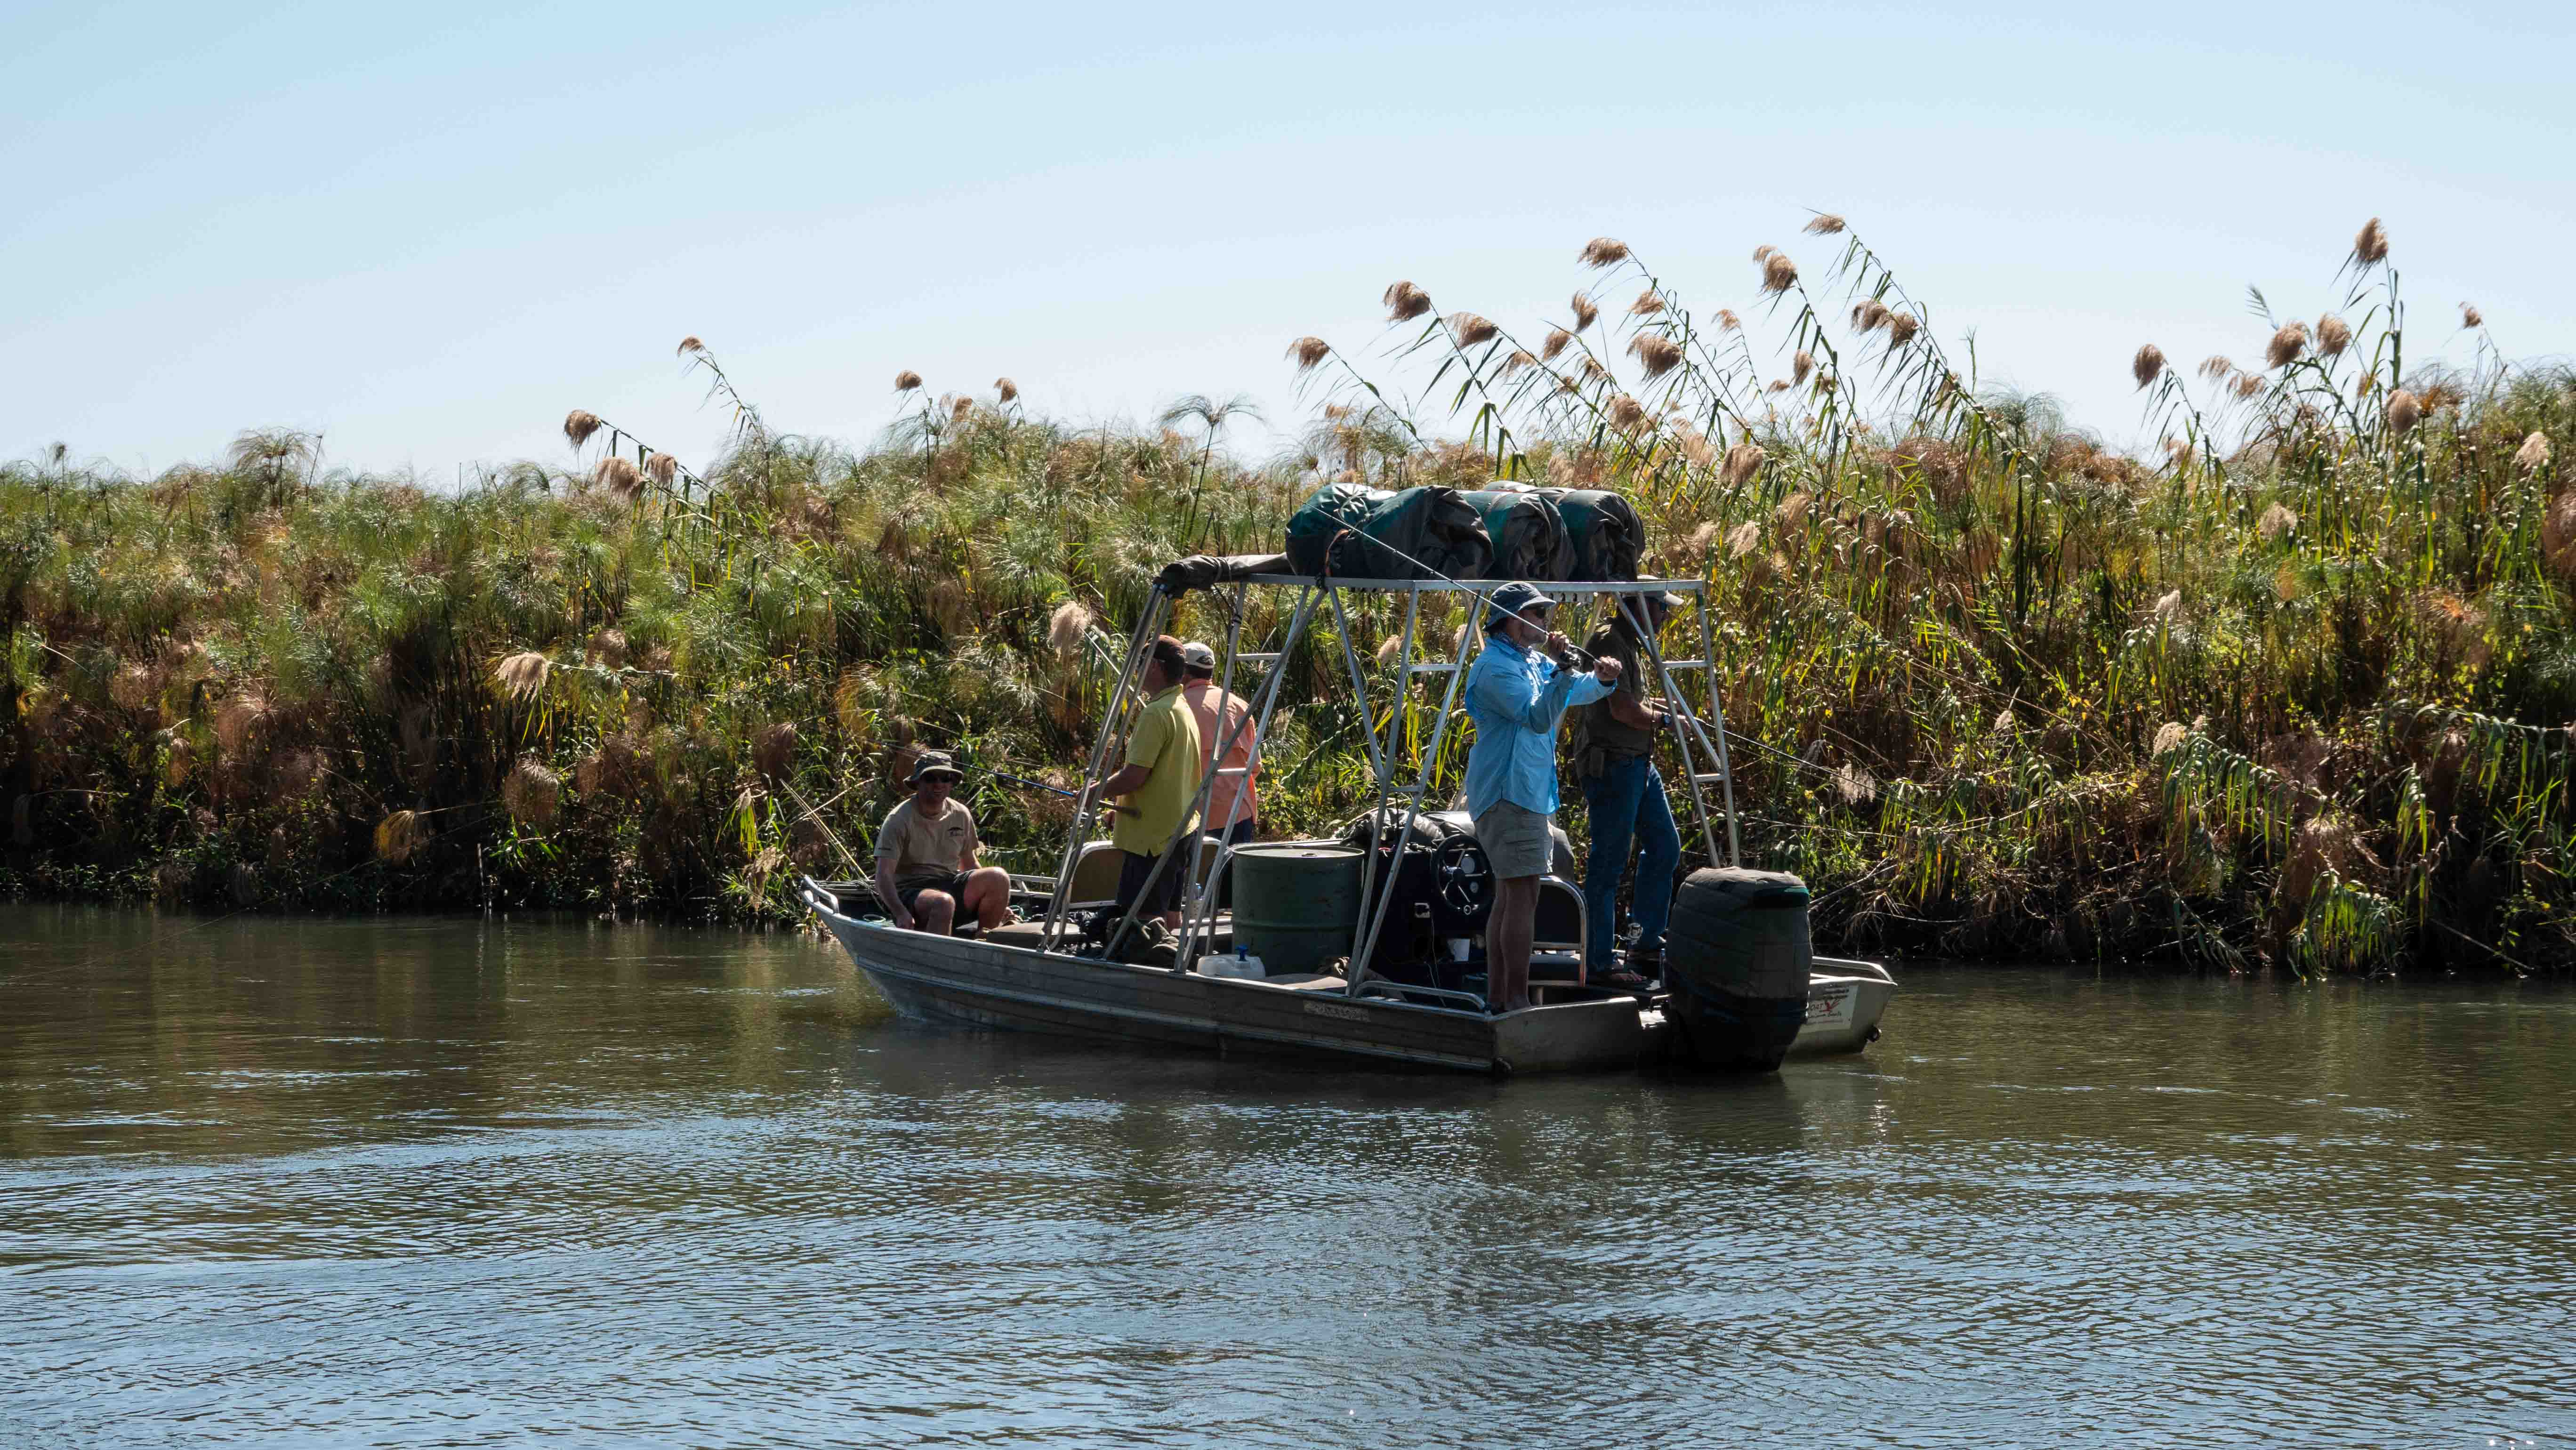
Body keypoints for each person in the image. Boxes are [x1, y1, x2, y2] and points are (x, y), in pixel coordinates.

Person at [1464, 581, 1618, 1013]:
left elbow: (1570, 692)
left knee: (1511, 895)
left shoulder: (1530, 660)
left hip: (1525, 793)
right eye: (1537, 613)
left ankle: (1500, 999)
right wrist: (1563, 671)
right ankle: (1516, 1001)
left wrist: (1601, 680)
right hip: (1509, 795)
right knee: (1523, 896)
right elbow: (1536, 718)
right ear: (1512, 620)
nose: (1545, 621)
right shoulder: (1495, 669)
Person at [1574, 591, 1685, 989]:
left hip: (1639, 764)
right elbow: (1621, 710)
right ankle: (1600, 962)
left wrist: (1669, 712)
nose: (1666, 615)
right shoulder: (1609, 641)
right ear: (1637, 606)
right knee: (1609, 864)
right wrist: (1664, 722)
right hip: (1613, 766)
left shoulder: (1632, 643)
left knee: (1665, 847)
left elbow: (1635, 701)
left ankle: (1643, 943)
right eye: (1661, 607)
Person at [1096, 635, 1203, 932]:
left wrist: (1094, 793)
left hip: (1152, 841)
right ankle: (1171, 958)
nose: (1137, 669)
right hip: (1180, 831)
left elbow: (1135, 776)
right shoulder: (1181, 707)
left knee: (1142, 923)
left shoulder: (1155, 713)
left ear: (1155, 666)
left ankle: (1148, 960)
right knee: (1170, 916)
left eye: (1141, 663)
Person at [873, 751, 1014, 935]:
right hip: (912, 892)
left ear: (952, 783)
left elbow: (969, 864)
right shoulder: (899, 819)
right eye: (931, 778)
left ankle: (984, 940)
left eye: (945, 778)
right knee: (943, 902)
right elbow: (883, 877)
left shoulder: (961, 813)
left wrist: (998, 903)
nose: (939, 784)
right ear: (918, 782)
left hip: (949, 885)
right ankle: (938, 950)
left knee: (999, 877)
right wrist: (900, 912)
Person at [1178, 640, 1260, 845]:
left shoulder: (1175, 707)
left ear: (1184, 672)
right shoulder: (1239, 705)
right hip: (1238, 814)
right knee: (1233, 868)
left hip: (1191, 818)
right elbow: (1255, 766)